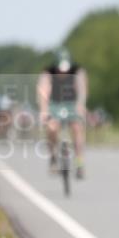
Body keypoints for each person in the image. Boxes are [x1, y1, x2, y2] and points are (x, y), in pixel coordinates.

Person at [37, 48, 88, 178]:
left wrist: (80, 105)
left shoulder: (78, 71)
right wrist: (44, 110)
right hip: (54, 104)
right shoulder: (48, 73)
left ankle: (79, 162)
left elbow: (82, 90)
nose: (63, 72)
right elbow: (43, 92)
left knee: (77, 127)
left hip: (72, 104)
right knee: (52, 128)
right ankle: (53, 158)